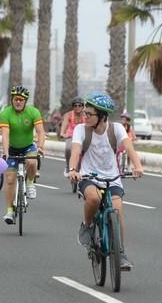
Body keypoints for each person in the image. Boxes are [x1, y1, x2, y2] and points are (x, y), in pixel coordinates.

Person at [68, 92, 144, 271]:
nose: (84, 116)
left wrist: (138, 166)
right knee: (93, 199)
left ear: (102, 116)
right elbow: (76, 152)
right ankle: (87, 225)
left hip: (112, 177)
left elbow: (129, 148)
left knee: (117, 211)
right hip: (88, 177)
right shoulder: (81, 130)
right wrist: (73, 170)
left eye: (89, 114)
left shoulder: (116, 128)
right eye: (84, 113)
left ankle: (121, 253)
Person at [0, 86, 46, 224]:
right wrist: (6, 152)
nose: (18, 102)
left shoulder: (33, 112)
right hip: (12, 148)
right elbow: (5, 134)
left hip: (28, 146)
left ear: (25, 101)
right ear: (11, 100)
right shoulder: (6, 113)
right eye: (15, 99)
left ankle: (30, 182)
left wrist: (41, 147)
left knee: (32, 162)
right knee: (9, 179)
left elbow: (41, 132)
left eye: (21, 99)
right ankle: (9, 211)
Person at [60, 97, 86, 176]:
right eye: (75, 106)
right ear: (73, 107)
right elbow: (64, 125)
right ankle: (68, 166)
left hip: (83, 136)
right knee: (68, 148)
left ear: (83, 106)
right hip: (72, 136)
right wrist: (62, 133)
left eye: (79, 105)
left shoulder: (86, 115)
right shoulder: (68, 115)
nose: (77, 107)